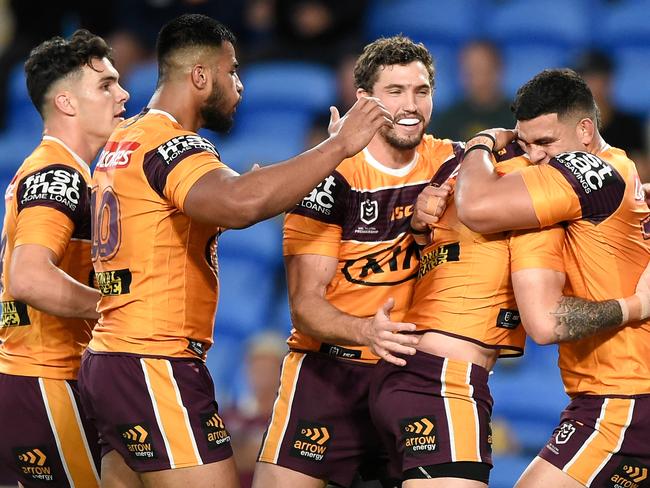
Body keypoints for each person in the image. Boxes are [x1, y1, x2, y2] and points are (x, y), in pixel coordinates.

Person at [76, 13, 391, 488]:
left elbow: (201, 211)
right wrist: (340, 146)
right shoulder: (172, 146)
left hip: (110, 360)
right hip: (154, 361)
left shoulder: (126, 140)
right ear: (200, 76)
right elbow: (242, 202)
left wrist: (258, 185)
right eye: (232, 71)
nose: (240, 85)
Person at [253, 35, 455, 488]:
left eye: (421, 92)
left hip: (411, 376)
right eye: (395, 92)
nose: (411, 105)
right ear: (363, 101)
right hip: (329, 372)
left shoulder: (452, 162)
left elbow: (524, 152)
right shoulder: (325, 179)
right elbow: (305, 305)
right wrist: (367, 331)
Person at [455, 68, 650, 488]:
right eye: (526, 144)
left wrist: (481, 143)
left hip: (626, 393)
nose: (537, 156)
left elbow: (474, 205)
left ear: (585, 130)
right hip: (609, 393)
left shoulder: (586, 171)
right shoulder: (617, 168)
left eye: (546, 142)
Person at [0, 30, 129, 487]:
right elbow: (29, 278)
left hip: (31, 378)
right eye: (106, 85)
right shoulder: (58, 172)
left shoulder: (57, 169)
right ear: (67, 104)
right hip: (45, 380)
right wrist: (119, 311)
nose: (123, 93)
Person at [222, 332, 288, 488]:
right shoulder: (228, 414)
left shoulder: (288, 417)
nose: (262, 374)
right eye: (256, 366)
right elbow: (214, 458)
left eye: (269, 367)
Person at [574, 49, 650, 181]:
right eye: (582, 77)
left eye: (594, 77)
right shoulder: (567, 126)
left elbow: (641, 172)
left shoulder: (630, 125)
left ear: (608, 80)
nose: (588, 84)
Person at [428, 40, 513, 141]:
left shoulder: (518, 119)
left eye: (483, 70)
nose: (477, 79)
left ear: (499, 69)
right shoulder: (448, 121)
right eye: (470, 71)